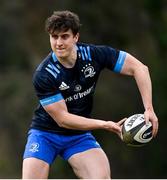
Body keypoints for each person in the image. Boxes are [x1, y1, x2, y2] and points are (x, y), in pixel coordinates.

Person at [22, 10, 158, 179]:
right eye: (54, 37)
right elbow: (63, 119)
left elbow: (140, 69)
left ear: (76, 37)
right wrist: (104, 124)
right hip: (45, 134)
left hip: (77, 136)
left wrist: (149, 109)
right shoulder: (44, 74)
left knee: (101, 178)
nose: (58, 43)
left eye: (64, 36)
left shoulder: (94, 55)